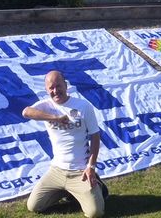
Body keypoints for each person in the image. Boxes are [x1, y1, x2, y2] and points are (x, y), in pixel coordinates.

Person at [22, 70, 106, 218]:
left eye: (58, 86)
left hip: (80, 172)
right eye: (51, 88)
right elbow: (26, 112)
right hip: (57, 170)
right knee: (34, 206)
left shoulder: (83, 106)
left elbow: (95, 136)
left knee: (95, 213)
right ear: (47, 90)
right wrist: (55, 118)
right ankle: (67, 191)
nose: (55, 91)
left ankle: (98, 187)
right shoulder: (46, 106)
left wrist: (91, 167)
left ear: (66, 85)